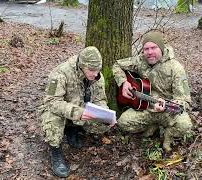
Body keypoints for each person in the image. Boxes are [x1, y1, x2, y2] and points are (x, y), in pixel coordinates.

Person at [112, 31, 192, 152]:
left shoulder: (175, 68)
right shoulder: (140, 60)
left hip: (168, 112)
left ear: (161, 48)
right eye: (146, 49)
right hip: (146, 109)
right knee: (123, 123)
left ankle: (168, 135)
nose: (149, 52)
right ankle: (152, 126)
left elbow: (184, 101)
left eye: (154, 48)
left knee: (185, 125)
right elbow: (117, 65)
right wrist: (123, 82)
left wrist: (167, 105)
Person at [40, 46, 113, 178]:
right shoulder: (60, 73)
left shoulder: (97, 77)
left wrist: (105, 114)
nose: (95, 74)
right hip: (59, 110)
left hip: (80, 112)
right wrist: (77, 112)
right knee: (53, 122)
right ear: (81, 65)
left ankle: (72, 130)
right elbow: (51, 101)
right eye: (91, 70)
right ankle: (55, 152)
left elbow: (100, 99)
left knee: (102, 124)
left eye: (98, 70)